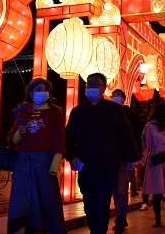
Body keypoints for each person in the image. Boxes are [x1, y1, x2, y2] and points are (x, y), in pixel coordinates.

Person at [65, 73, 139, 234]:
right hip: (85, 165)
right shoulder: (78, 111)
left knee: (101, 202)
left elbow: (126, 134)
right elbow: (69, 137)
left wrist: (133, 157)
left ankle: (99, 232)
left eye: (96, 84)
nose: (91, 87)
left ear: (104, 87)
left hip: (107, 165)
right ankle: (95, 230)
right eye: (89, 84)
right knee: (89, 203)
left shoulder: (115, 110)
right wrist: (72, 156)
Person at [7, 78, 67, 234]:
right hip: (22, 163)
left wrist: (55, 165)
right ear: (31, 93)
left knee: (48, 200)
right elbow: (11, 138)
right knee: (21, 200)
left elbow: (60, 139)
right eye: (39, 89)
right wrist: (18, 134)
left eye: (45, 89)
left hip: (45, 163)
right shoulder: (22, 111)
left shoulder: (55, 112)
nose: (43, 92)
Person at [110, 89, 144, 233]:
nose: (116, 98)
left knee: (122, 189)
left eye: (119, 96)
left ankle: (120, 219)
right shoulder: (106, 114)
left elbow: (137, 138)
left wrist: (136, 157)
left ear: (124, 99)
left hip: (125, 159)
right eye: (114, 96)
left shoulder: (131, 116)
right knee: (115, 192)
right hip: (110, 159)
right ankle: (120, 216)